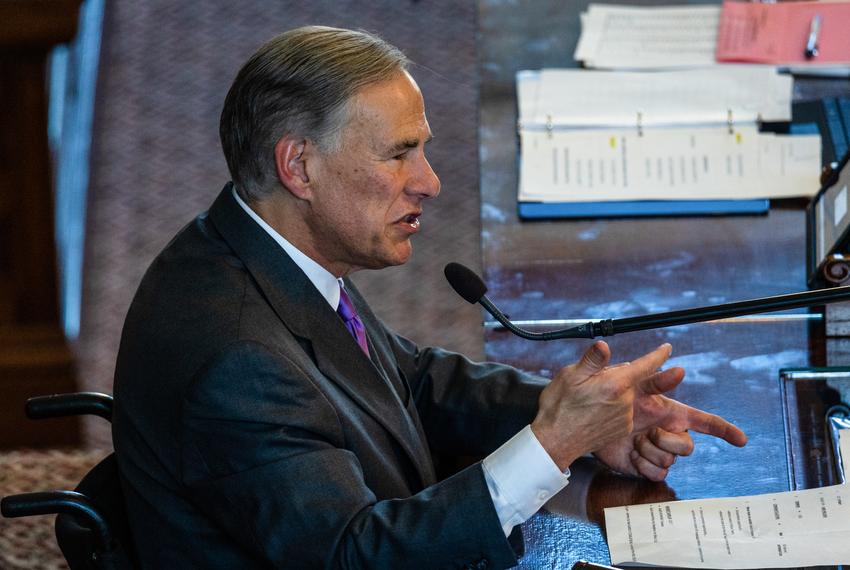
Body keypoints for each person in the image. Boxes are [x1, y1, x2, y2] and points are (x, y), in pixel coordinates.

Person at [112, 26, 747, 569]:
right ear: (299, 167)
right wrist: (551, 446)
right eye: (398, 155)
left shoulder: (264, 247)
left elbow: (405, 381)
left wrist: (580, 416)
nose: (431, 183)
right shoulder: (238, 356)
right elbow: (355, 555)